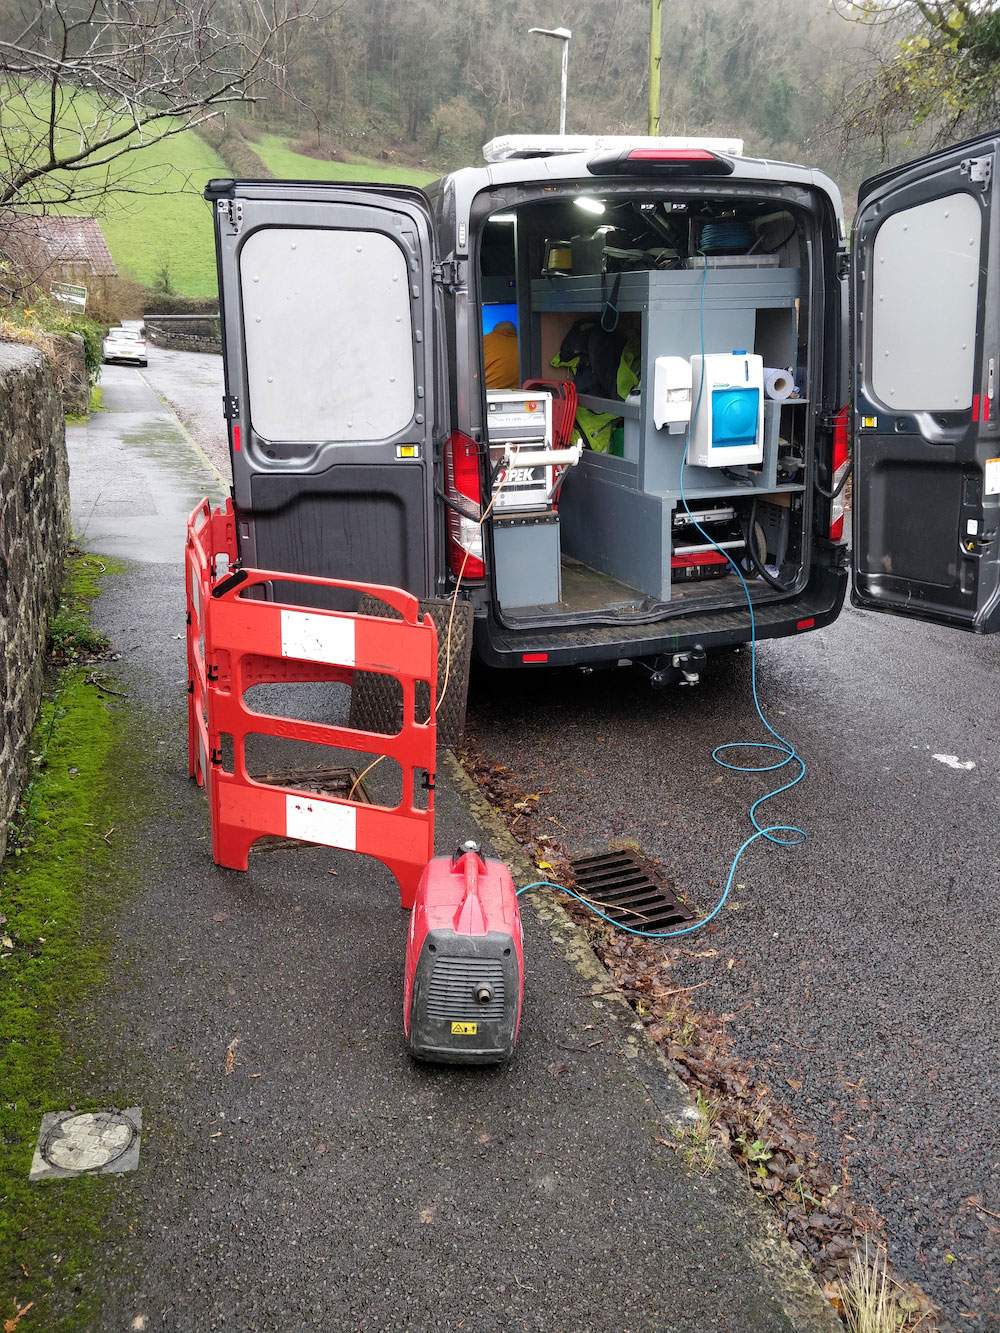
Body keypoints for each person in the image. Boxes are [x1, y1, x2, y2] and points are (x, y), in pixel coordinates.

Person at [483, 320, 519, 389]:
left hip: (488, 392)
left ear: (495, 331)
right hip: (519, 392)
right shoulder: (523, 344)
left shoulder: (484, 340)